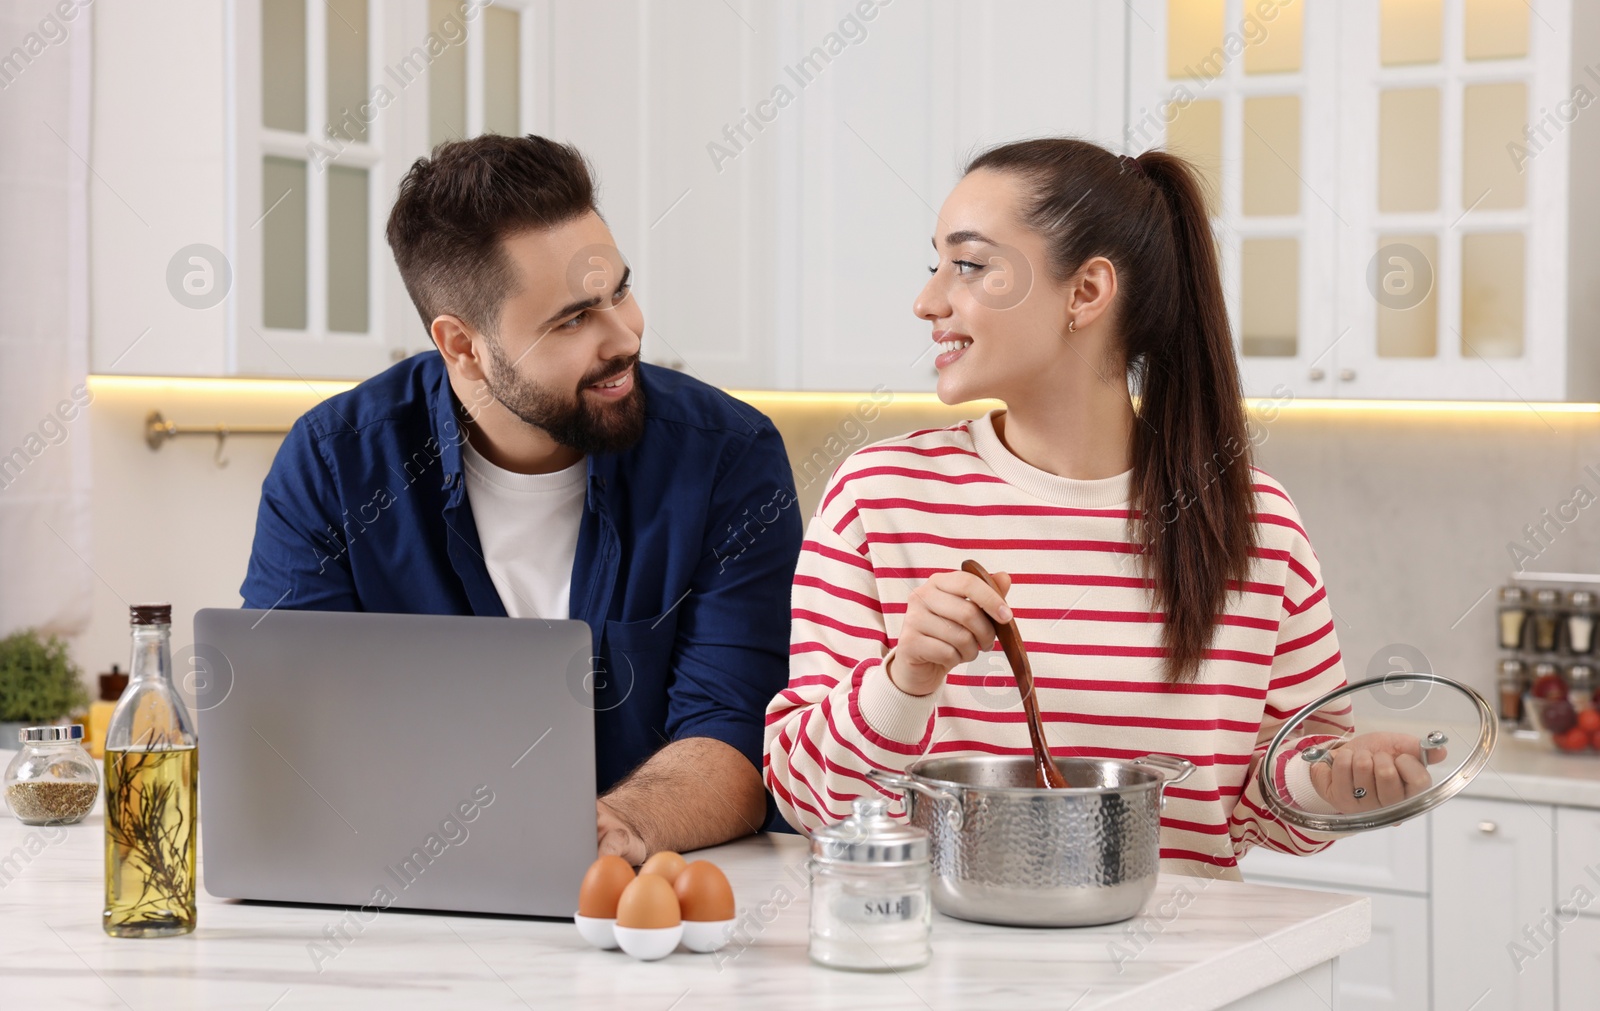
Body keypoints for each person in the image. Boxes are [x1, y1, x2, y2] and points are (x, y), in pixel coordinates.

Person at [763, 138, 1439, 876]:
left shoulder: (1256, 526)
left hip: (1181, 977)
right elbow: (806, 798)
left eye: (968, 265)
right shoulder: (881, 498)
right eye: (937, 264)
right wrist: (906, 679)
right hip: (951, 976)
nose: (927, 301)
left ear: (1085, 292)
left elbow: (1272, 802)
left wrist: (1342, 778)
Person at [242, 134, 802, 864]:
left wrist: (604, 830)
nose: (626, 334)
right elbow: (290, 741)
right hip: (406, 905)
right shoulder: (334, 465)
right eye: (572, 319)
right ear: (463, 345)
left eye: (621, 291)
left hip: (646, 912)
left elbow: (735, 736)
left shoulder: (728, 456)